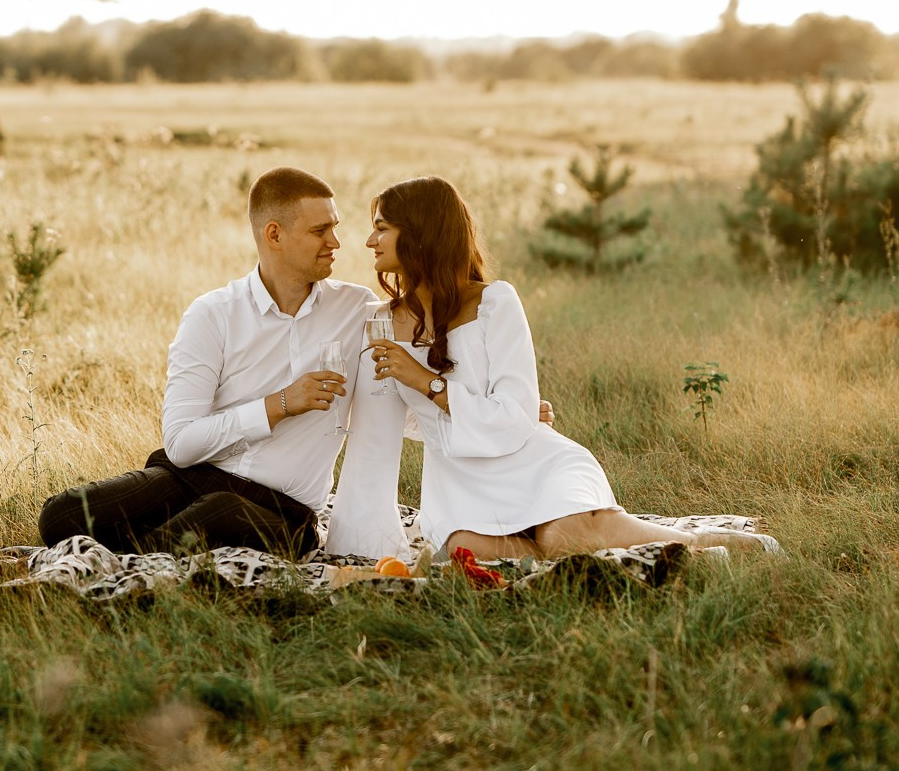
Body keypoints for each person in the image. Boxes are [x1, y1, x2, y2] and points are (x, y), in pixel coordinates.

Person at [327, 176, 779, 562]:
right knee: (465, 547)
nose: (370, 241)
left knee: (564, 536)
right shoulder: (381, 320)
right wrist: (462, 406)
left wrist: (432, 383)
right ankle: (611, 541)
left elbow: (508, 421)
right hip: (459, 484)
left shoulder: (495, 302)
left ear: (421, 233)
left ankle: (698, 545)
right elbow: (408, 418)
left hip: (532, 464)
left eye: (382, 229)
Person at [36, 167, 375, 556]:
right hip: (196, 477)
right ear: (275, 234)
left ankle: (130, 558)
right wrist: (278, 405)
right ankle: (147, 550)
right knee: (63, 516)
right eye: (320, 231)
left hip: (285, 511)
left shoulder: (358, 308)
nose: (336, 242)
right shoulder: (213, 313)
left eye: (334, 227)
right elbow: (180, 444)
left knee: (216, 514)